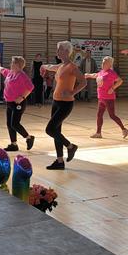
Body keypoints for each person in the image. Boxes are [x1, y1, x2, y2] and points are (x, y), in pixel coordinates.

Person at [40, 41, 86, 170]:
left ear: (66, 51)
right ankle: (60, 161)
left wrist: (72, 92)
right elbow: (50, 66)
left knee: (50, 129)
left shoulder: (72, 67)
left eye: (59, 49)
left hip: (66, 104)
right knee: (56, 132)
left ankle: (71, 146)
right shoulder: (61, 66)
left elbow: (83, 82)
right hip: (56, 101)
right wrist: (43, 66)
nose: (57, 52)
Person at [0, 56, 35, 152]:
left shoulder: (22, 75)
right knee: (9, 124)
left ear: (18, 65)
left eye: (13, 63)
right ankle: (13, 144)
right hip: (9, 102)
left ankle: (29, 137)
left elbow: (31, 87)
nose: (11, 64)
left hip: (18, 103)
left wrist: (22, 97)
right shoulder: (10, 73)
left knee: (15, 124)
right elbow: (2, 70)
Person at [85, 56, 128, 139]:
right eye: (102, 62)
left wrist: (112, 88)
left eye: (105, 62)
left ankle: (124, 129)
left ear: (109, 64)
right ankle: (98, 133)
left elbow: (120, 81)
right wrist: (88, 75)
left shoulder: (111, 73)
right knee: (99, 115)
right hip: (101, 98)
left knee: (112, 115)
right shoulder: (101, 72)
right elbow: (95, 75)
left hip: (109, 98)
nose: (102, 63)